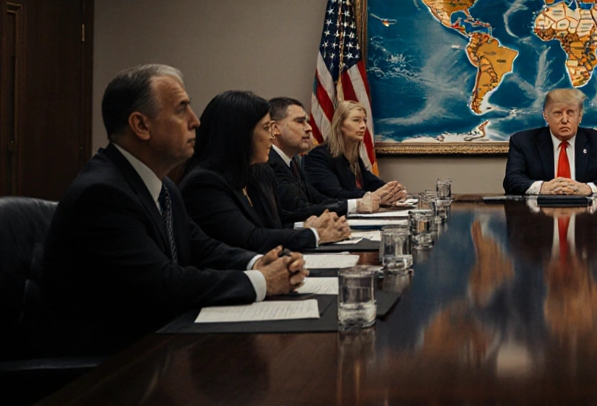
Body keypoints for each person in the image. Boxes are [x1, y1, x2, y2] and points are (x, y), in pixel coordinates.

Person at [38, 65, 306, 356]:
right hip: (99, 369)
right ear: (141, 125)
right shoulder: (103, 193)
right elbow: (162, 284)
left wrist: (257, 263)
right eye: (182, 110)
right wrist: (261, 281)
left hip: (156, 345)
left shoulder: (161, 186)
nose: (195, 122)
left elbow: (203, 247)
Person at [180, 90, 350, 252]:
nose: (271, 136)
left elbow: (279, 222)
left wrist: (307, 226)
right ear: (240, 134)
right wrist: (314, 234)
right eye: (266, 128)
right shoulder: (204, 183)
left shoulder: (259, 172)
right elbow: (249, 238)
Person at [265, 96, 375, 219]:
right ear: (275, 128)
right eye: (300, 121)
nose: (309, 128)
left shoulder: (294, 161)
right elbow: (298, 209)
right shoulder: (268, 163)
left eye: (307, 122)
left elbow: (317, 199)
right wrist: (356, 205)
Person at [503, 88, 597, 196]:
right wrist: (542, 187)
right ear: (546, 116)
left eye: (570, 113)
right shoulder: (523, 142)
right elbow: (512, 181)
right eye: (558, 113)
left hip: (586, 215)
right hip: (539, 216)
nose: (565, 120)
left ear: (579, 116)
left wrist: (587, 188)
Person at [306, 100, 407, 207]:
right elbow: (335, 194)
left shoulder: (353, 157)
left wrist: (392, 190)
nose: (363, 126)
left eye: (364, 120)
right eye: (356, 120)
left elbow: (370, 182)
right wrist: (373, 197)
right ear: (340, 124)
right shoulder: (318, 156)